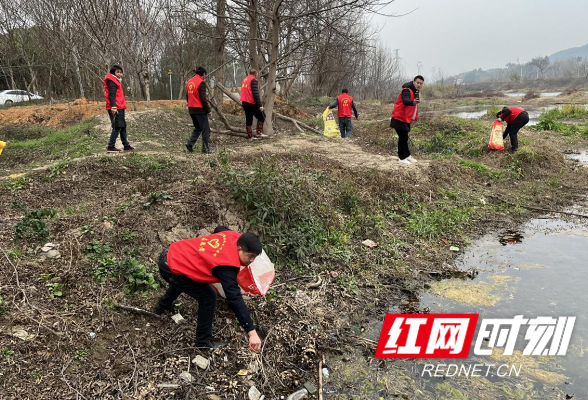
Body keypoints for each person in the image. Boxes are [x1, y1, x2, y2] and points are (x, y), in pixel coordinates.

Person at [155, 228, 263, 351]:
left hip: (174, 251)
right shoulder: (227, 266)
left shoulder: (233, 236)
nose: (251, 261)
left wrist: (211, 253)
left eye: (254, 257)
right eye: (250, 256)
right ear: (240, 249)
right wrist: (251, 332)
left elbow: (219, 229)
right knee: (208, 297)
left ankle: (162, 306)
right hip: (169, 267)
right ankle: (202, 342)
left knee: (187, 276)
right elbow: (234, 298)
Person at [390, 75, 424, 165]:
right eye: (418, 83)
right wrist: (413, 102)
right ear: (414, 82)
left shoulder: (414, 91)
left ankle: (407, 155)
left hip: (405, 118)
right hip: (399, 118)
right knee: (403, 138)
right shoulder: (407, 90)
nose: (419, 85)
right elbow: (405, 101)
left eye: (421, 83)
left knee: (405, 138)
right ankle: (401, 158)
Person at [104, 65, 134, 152]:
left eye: (121, 72)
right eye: (117, 72)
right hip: (115, 107)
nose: (120, 74)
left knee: (123, 126)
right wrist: (113, 107)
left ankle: (126, 145)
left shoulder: (116, 81)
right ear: (113, 73)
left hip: (120, 107)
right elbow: (111, 95)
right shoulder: (112, 81)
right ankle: (111, 146)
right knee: (117, 126)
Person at [186, 67, 213, 154]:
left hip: (191, 109)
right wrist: (208, 110)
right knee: (206, 129)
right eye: (205, 74)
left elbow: (187, 96)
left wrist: (190, 104)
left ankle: (190, 143)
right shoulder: (201, 82)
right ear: (203, 74)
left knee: (198, 128)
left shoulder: (189, 82)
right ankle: (205, 148)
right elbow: (203, 98)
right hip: (200, 109)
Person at [240, 69, 267, 139]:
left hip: (244, 102)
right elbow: (255, 94)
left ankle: (250, 137)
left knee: (249, 119)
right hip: (251, 102)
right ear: (255, 74)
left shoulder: (245, 80)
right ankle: (259, 133)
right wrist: (260, 105)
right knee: (262, 116)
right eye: (257, 74)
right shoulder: (254, 80)